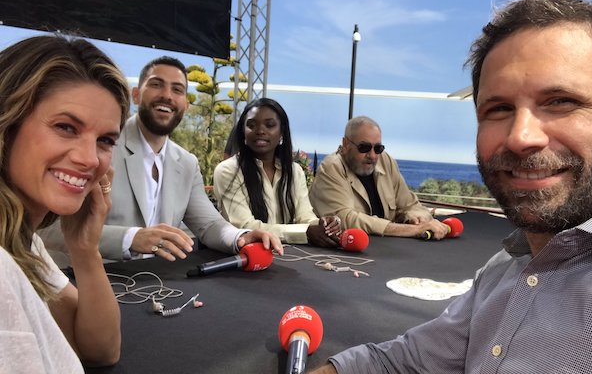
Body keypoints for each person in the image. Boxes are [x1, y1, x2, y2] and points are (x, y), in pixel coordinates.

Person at [174, 0, 592, 374]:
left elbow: (401, 205)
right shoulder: (502, 274)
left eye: (561, 101)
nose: (522, 136)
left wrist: (419, 217)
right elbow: (396, 373)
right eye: (498, 109)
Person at [40, 56, 282, 263]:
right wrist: (131, 238)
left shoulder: (187, 162)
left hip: (155, 287)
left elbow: (209, 225)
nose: (167, 95)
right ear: (136, 95)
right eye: (157, 85)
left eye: (177, 90)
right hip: (80, 284)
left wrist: (240, 237)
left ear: (185, 105)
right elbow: (48, 230)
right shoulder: (100, 146)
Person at [0, 36, 130, 374]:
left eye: (105, 140)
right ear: (8, 124)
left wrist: (85, 249)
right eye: (66, 127)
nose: (90, 159)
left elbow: (102, 349)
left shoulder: (23, 242)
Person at [213, 98, 341, 247]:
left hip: (290, 256)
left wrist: (323, 225)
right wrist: (305, 233)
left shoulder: (295, 171)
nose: (260, 131)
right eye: (251, 125)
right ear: (243, 132)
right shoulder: (228, 171)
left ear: (282, 132)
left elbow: (305, 217)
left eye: (270, 125)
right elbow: (244, 226)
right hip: (247, 258)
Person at [309, 116, 450, 239]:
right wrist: (412, 230)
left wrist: (416, 217)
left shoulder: (386, 161)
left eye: (378, 149)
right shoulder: (331, 167)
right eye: (364, 148)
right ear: (346, 144)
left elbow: (410, 205)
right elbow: (345, 219)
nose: (372, 155)